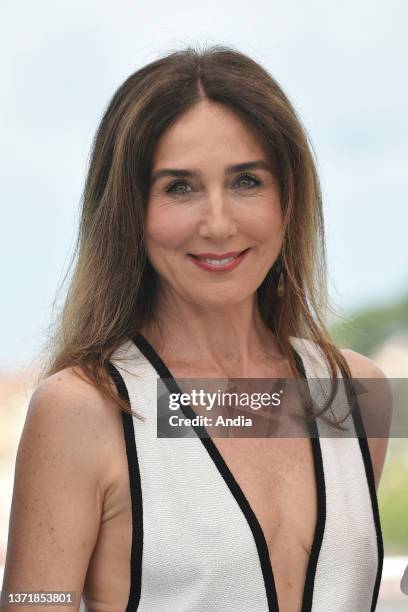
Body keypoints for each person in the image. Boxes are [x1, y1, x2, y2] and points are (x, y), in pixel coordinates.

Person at [2, 44, 391, 612]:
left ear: (288, 196)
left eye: (247, 181)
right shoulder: (83, 409)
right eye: (179, 187)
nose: (217, 222)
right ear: (129, 213)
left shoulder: (355, 396)